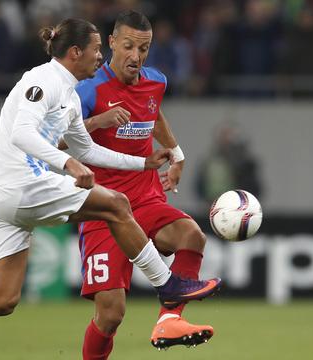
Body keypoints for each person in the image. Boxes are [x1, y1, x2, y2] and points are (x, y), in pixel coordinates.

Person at [0, 18, 221, 360]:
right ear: (75, 53)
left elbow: (88, 150)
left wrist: (144, 163)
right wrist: (68, 165)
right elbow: (23, 133)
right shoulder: (44, 80)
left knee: (1, 299)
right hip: (19, 183)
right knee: (116, 204)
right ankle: (167, 285)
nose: (101, 57)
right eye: (97, 49)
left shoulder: (67, 96)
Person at [72, 11, 218, 357]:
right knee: (111, 315)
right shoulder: (87, 90)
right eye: (128, 47)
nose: (135, 57)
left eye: (144, 48)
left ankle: (169, 318)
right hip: (103, 210)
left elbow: (154, 115)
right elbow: (58, 141)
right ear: (111, 43)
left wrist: (177, 154)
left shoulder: (156, 82)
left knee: (192, 236)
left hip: (146, 198)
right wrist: (97, 121)